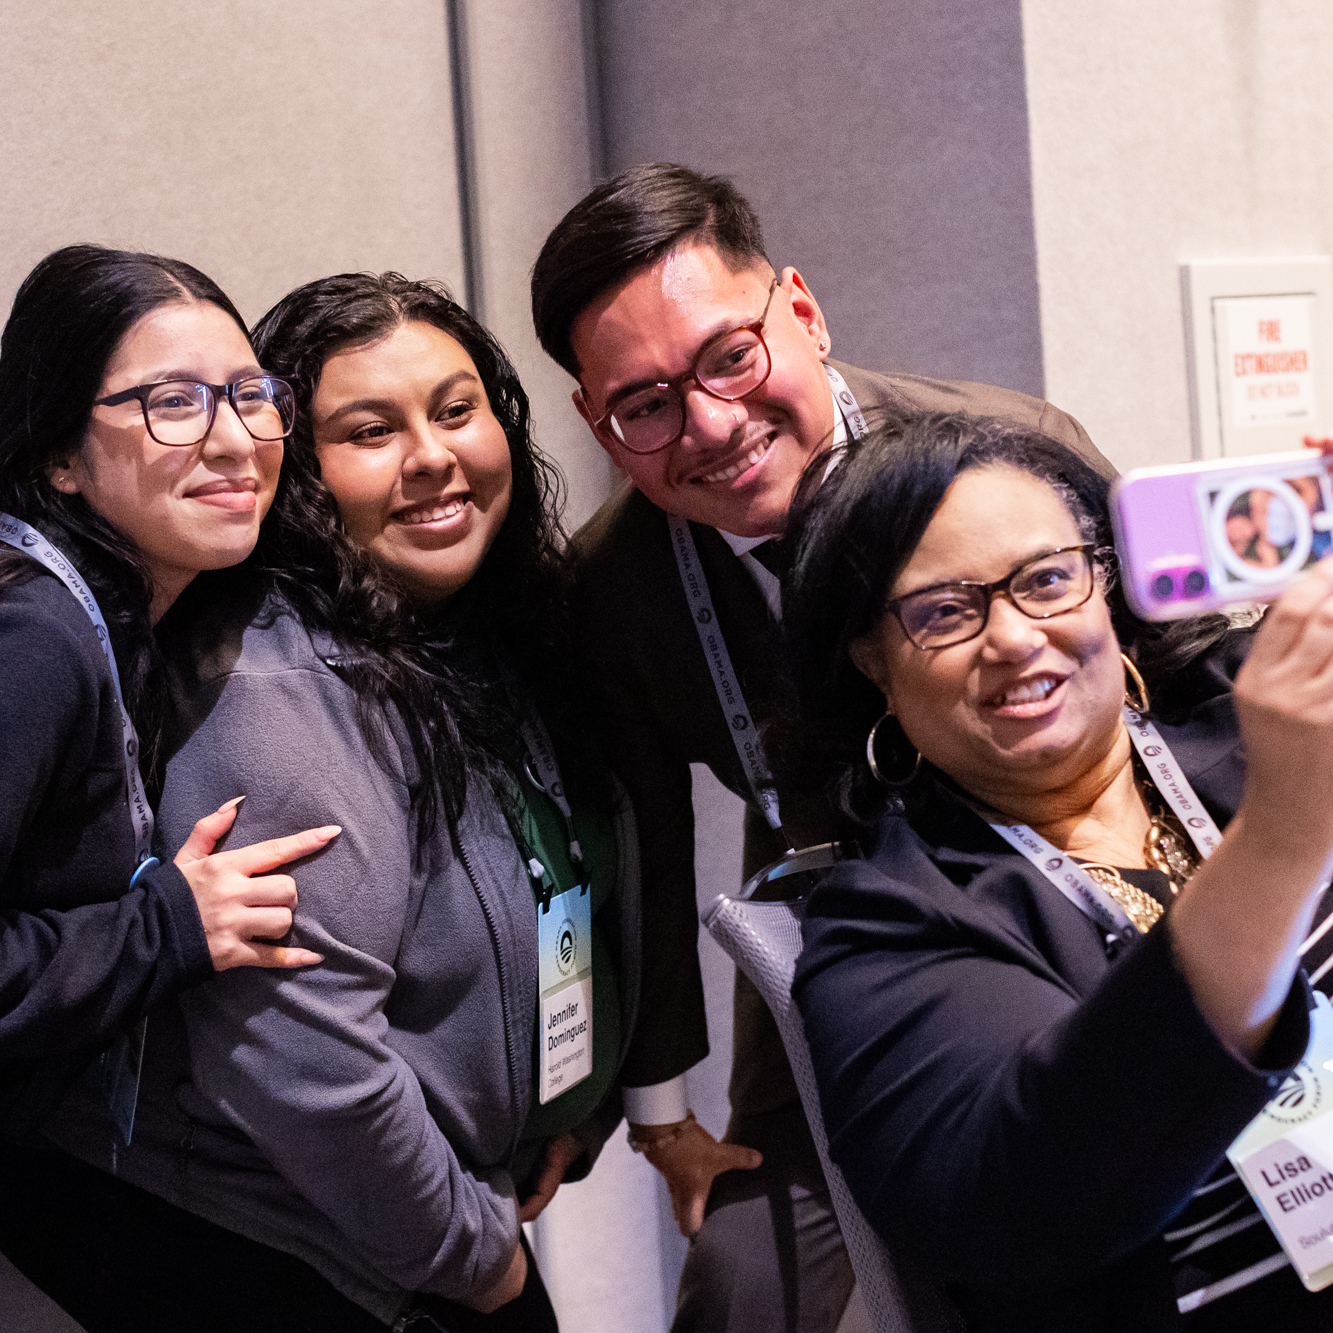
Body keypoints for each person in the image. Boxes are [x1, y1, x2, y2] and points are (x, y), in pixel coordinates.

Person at [529, 161, 1114, 1331]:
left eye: (728, 357)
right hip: (840, 920)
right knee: (741, 1296)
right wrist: (656, 1109)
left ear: (798, 308)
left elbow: (1171, 680)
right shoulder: (618, 589)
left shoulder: (1010, 454)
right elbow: (629, 840)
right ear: (598, 424)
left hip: (1081, 895)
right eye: (643, 405)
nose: (708, 426)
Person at [22, 272, 639, 1333]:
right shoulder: (264, 689)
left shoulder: (491, 625)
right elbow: (309, 1072)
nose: (432, 456)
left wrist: (566, 1105)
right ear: (301, 471)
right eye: (369, 430)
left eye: (456, 409)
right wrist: (478, 1257)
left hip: (437, 1222)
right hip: (321, 1256)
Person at [781, 411, 1333, 1331]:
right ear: (872, 660)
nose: (1012, 637)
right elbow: (1025, 1202)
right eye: (946, 611)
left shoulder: (1255, 714)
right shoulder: (884, 925)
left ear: (1104, 588)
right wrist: (1280, 841)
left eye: (1045, 580)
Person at [0, 244, 333, 1155]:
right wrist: (168, 926)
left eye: (249, 394)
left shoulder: (110, 612)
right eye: (172, 403)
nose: (232, 440)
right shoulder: (35, 638)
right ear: (61, 455)